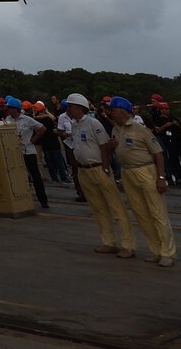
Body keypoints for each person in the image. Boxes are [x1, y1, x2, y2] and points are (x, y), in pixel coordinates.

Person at [108, 97, 176, 267]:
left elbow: (158, 154)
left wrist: (161, 178)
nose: (111, 113)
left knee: (158, 213)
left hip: (145, 171)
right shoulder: (115, 129)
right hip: (127, 172)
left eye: (113, 110)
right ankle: (156, 250)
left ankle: (167, 252)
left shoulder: (140, 129)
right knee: (141, 213)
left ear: (121, 111)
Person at [66, 94, 133, 256]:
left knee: (116, 206)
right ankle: (109, 242)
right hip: (83, 170)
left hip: (98, 168)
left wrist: (105, 167)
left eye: (71, 106)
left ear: (79, 107)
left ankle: (128, 245)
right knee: (98, 208)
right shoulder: (74, 125)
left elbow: (104, 146)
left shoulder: (93, 123)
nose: (68, 109)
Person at [10, 95, 48, 211]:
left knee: (35, 176)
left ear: (16, 109)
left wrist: (33, 139)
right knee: (19, 176)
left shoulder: (27, 119)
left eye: (10, 108)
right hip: (15, 152)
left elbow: (42, 128)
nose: (9, 110)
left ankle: (43, 200)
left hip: (28, 151)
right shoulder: (7, 120)